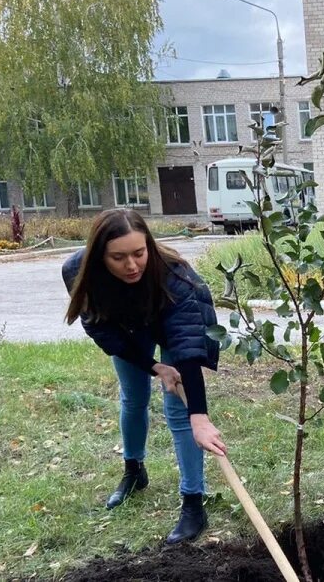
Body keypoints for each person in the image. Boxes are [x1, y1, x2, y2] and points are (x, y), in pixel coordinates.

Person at [62, 209, 226, 544]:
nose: (132, 265)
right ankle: (134, 471)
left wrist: (200, 415)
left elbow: (187, 346)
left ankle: (193, 501)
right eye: (118, 257)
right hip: (129, 330)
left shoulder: (174, 277)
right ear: (99, 255)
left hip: (170, 322)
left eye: (139, 253)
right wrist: (153, 367)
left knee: (179, 411)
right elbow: (103, 331)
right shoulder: (79, 271)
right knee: (134, 397)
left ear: (149, 245)